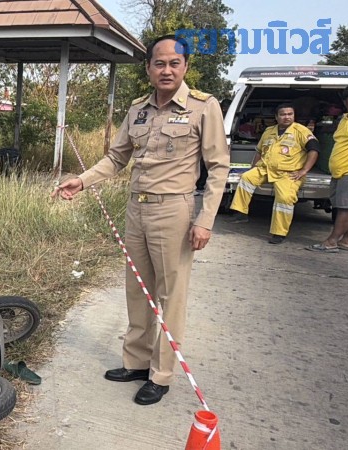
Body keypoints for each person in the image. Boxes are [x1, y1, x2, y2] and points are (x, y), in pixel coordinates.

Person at [51, 35, 229, 405]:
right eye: (159, 63)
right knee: (138, 290)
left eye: (174, 63)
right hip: (137, 209)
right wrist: (81, 181)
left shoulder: (203, 107)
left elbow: (218, 166)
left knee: (170, 296)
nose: (167, 70)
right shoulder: (138, 110)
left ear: (185, 67)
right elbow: (117, 157)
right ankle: (136, 361)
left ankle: (160, 374)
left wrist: (205, 219)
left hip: (174, 211)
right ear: (148, 68)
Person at [227, 103, 320, 244]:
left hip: (288, 173)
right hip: (265, 169)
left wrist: (304, 170)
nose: (287, 117)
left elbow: (314, 150)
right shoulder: (269, 131)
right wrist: (253, 168)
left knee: (284, 198)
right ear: (276, 117)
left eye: (290, 114)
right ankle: (240, 213)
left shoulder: (301, 131)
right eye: (283, 114)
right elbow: (259, 152)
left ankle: (279, 233)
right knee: (246, 177)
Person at [307, 86, 348, 253]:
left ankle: (331, 242)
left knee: (345, 208)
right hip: (339, 171)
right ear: (345, 102)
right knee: (346, 207)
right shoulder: (345, 119)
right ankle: (347, 240)